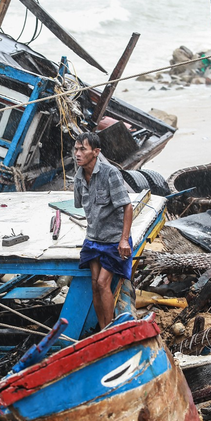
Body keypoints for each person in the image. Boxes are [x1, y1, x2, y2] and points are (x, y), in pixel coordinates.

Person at [73, 131, 133, 330]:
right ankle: (102, 327)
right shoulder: (79, 177)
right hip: (93, 239)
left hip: (114, 240)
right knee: (93, 284)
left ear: (96, 152)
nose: (77, 153)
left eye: (83, 149)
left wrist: (124, 240)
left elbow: (127, 206)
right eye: (76, 149)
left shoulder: (110, 173)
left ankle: (110, 330)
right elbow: (79, 206)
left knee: (102, 283)